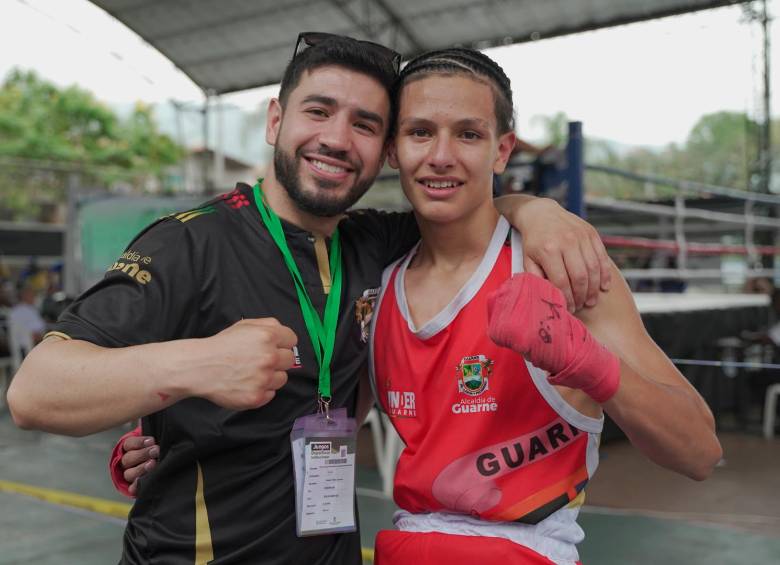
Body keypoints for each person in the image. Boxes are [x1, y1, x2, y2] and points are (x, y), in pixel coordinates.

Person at [7, 34, 612, 565]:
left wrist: (539, 211)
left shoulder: (373, 243)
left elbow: (463, 200)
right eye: (318, 111)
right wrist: (193, 366)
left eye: (366, 125)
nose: (336, 139)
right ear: (275, 122)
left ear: (386, 150)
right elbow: (35, 391)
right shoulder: (189, 242)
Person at [366, 49, 722, 563]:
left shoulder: (561, 267)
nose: (441, 155)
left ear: (502, 150)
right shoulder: (379, 285)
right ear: (393, 149)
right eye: (420, 131)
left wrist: (592, 365)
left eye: (468, 134)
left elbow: (700, 452)